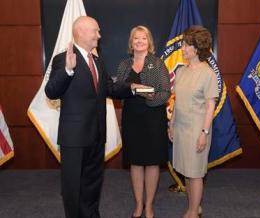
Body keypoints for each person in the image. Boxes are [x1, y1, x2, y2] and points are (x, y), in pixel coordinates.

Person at [45, 16, 121, 218]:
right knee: (73, 187)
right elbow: (51, 91)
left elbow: (110, 88)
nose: (99, 35)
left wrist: (133, 88)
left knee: (93, 183)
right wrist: (68, 70)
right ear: (80, 31)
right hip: (75, 137)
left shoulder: (98, 60)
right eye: (95, 31)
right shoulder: (63, 59)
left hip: (97, 134)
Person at [113, 25, 170, 218]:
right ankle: (138, 204)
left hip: (153, 119)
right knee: (135, 163)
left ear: (149, 42)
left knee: (152, 163)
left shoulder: (158, 63)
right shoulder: (123, 65)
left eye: (143, 38)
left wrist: (146, 93)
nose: (139, 41)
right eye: (136, 38)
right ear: (131, 42)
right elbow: (117, 90)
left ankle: (149, 206)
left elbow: (165, 93)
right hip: (132, 119)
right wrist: (130, 88)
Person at [169, 26, 219, 218]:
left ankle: (192, 213)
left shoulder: (208, 74)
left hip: (198, 129)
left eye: (186, 44)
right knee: (186, 170)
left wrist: (204, 133)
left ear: (196, 48)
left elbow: (209, 107)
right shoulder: (181, 71)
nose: (182, 48)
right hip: (181, 127)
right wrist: (171, 123)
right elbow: (177, 101)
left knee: (195, 172)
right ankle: (194, 206)